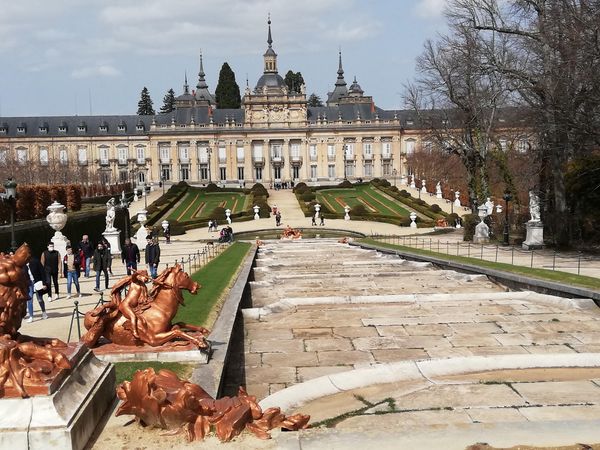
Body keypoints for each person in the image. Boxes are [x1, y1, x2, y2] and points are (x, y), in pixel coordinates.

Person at [24, 256, 48, 322]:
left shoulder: (35, 261)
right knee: (29, 300)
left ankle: (44, 312)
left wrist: (44, 283)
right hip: (29, 284)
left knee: (40, 299)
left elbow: (42, 272)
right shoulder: (23, 265)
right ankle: (31, 316)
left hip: (37, 282)